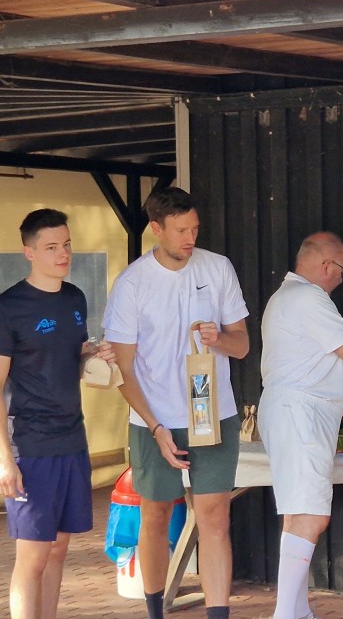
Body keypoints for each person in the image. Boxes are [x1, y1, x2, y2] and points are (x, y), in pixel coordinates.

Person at [104, 187, 250, 619]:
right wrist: (156, 427)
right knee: (155, 513)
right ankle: (155, 610)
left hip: (214, 415)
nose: (190, 238)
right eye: (181, 230)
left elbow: (242, 346)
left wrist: (218, 339)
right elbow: (122, 371)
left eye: (195, 229)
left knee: (214, 517)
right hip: (154, 418)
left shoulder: (218, 267)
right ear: (156, 228)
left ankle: (218, 613)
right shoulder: (132, 283)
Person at [0, 209, 115, 619]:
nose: (63, 254)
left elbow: (70, 358)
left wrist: (93, 354)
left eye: (67, 245)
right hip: (30, 446)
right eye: (51, 247)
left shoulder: (75, 299)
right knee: (33, 556)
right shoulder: (3, 310)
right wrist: (4, 460)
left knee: (58, 550)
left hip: (72, 440)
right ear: (29, 253)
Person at [258, 232, 343, 619]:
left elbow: (321, 346)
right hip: (301, 413)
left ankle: (297, 611)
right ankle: (286, 614)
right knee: (311, 515)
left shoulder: (289, 297)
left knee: (299, 513)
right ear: (328, 266)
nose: (341, 280)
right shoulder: (308, 296)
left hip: (294, 411)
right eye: (342, 272)